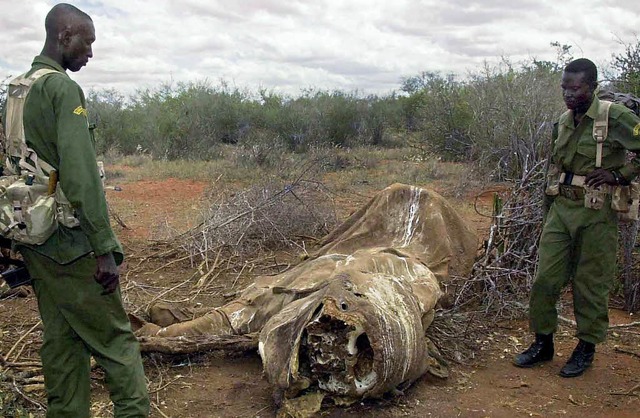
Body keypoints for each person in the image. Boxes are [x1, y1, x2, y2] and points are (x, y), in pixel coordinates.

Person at [4, 4, 150, 416]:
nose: (90, 52)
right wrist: (104, 247)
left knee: (63, 340)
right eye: (87, 42)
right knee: (117, 341)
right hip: (70, 242)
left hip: (33, 237)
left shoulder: (17, 89)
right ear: (65, 36)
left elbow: (10, 165)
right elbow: (82, 176)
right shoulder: (62, 89)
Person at [513, 58, 640, 377]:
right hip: (561, 209)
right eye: (564, 88)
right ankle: (543, 343)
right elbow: (554, 167)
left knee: (591, 282)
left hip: (596, 212)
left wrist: (619, 174)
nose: (568, 94)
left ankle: (586, 348)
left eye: (576, 87)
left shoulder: (615, 117)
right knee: (546, 279)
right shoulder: (562, 121)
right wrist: (547, 210)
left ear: (593, 87)